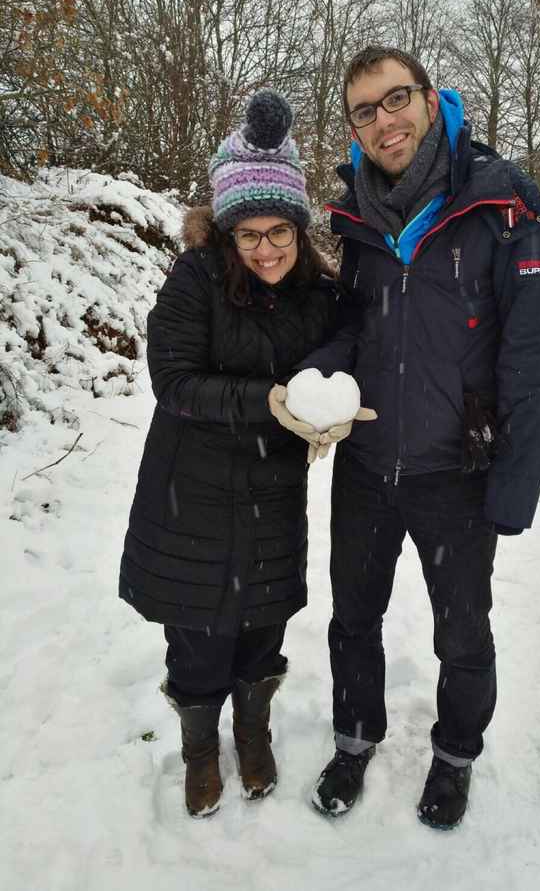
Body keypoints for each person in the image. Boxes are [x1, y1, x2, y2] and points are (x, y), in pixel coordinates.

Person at [276, 46, 540, 829]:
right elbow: (350, 329)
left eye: (395, 98)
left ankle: (456, 755)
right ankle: (354, 737)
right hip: (368, 464)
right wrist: (312, 384)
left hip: (458, 471)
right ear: (354, 129)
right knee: (352, 618)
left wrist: (513, 483)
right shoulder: (356, 217)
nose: (383, 120)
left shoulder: (504, 203)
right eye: (364, 111)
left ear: (432, 100)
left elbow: (534, 355)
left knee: (463, 633)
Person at [119, 90, 339, 817]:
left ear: (300, 229)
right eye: (250, 234)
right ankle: (198, 748)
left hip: (273, 491)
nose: (269, 248)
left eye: (282, 230)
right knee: (199, 636)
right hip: (195, 491)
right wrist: (265, 402)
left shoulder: (316, 291)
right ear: (225, 231)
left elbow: (345, 351)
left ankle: (253, 731)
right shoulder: (194, 280)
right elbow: (173, 379)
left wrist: (334, 406)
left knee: (261, 627)